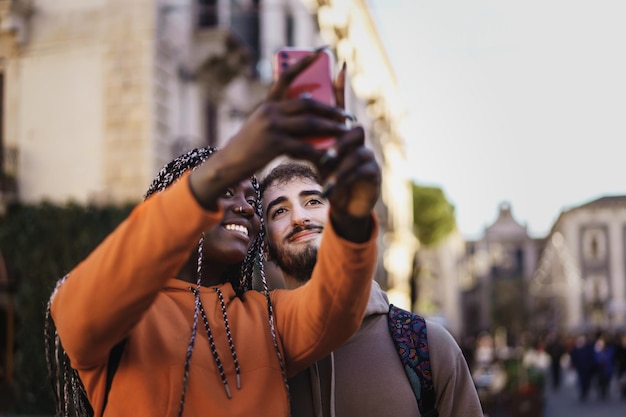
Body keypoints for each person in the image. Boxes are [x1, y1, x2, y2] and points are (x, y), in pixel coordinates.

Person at [44, 50, 380, 417]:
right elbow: (81, 313)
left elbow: (336, 307)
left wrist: (352, 214)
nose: (246, 207)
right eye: (225, 192)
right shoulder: (122, 307)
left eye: (253, 199)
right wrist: (232, 161)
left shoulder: (269, 317)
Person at [260, 162, 484, 417]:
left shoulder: (430, 348)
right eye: (279, 211)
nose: (299, 217)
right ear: (264, 246)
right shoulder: (255, 352)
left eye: (313, 201)